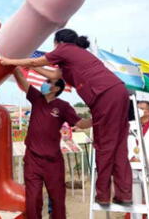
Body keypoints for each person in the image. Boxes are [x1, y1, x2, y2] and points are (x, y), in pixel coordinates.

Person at [0, 28, 133, 205]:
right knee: (118, 144)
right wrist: (28, 66)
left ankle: (103, 195)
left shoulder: (65, 49)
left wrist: (9, 61)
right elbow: (54, 74)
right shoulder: (74, 57)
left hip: (104, 95)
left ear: (58, 42)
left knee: (105, 145)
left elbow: (37, 60)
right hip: (118, 92)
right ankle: (124, 194)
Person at [13, 67, 91, 218]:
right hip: (32, 159)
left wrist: (97, 118)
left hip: (53, 161)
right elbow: (23, 82)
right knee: (33, 198)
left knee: (57, 199)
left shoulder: (63, 106)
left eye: (48, 81)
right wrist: (13, 65)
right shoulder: (36, 98)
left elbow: (81, 123)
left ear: (56, 88)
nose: (44, 83)